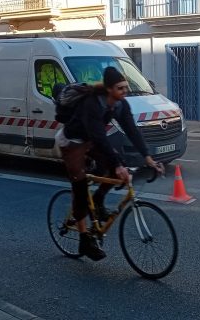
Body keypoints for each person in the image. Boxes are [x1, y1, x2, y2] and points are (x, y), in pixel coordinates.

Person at [56, 66, 163, 260]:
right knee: (79, 188)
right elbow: (99, 138)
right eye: (121, 88)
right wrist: (118, 164)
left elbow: (132, 130)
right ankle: (84, 240)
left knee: (116, 170)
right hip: (72, 142)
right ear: (109, 89)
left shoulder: (121, 104)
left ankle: (97, 201)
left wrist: (148, 157)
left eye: (125, 86)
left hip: (92, 139)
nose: (126, 91)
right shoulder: (92, 103)